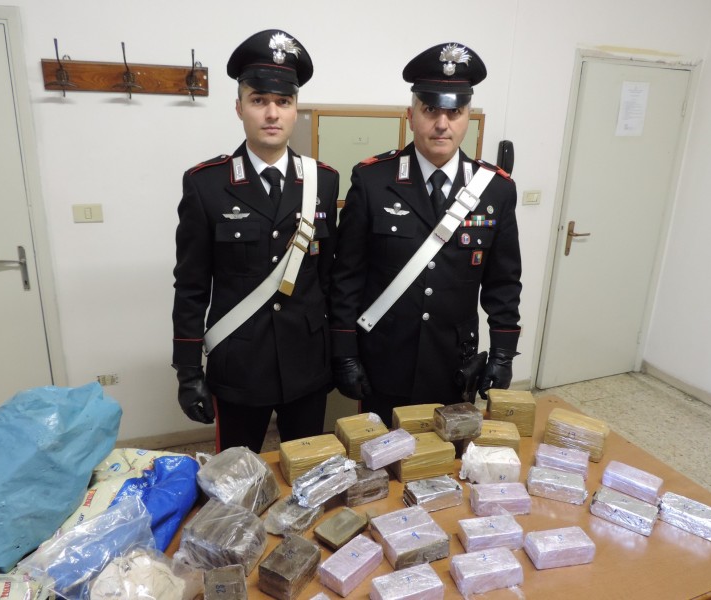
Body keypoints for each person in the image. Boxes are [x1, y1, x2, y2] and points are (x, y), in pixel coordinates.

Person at [329, 42, 521, 427]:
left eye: (455, 111)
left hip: (454, 363)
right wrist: (344, 352)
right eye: (431, 109)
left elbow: (503, 282)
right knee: (379, 456)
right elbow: (346, 276)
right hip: (383, 359)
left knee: (448, 457)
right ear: (411, 115)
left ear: (469, 116)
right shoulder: (372, 181)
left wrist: (503, 353)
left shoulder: (495, 190)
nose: (442, 123)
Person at [172, 29, 339, 453]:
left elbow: (329, 277)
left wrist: (340, 352)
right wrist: (188, 371)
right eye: (259, 100)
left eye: (283, 101)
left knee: (309, 472)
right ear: (239, 108)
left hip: (306, 361)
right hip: (239, 364)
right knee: (236, 479)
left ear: (295, 109)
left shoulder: (323, 181)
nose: (272, 113)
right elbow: (191, 287)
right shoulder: (206, 185)